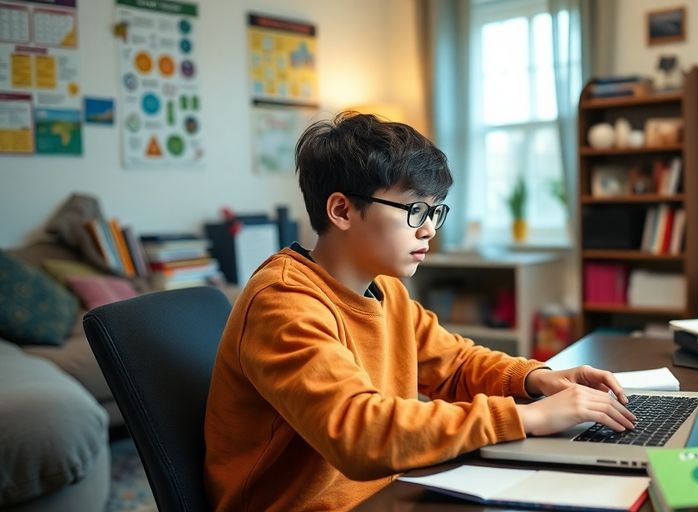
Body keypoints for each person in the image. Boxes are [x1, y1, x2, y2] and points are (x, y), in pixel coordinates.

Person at [204, 111, 636, 511]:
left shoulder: (385, 287)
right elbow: (361, 435)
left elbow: (454, 364)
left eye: (434, 211)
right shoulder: (284, 302)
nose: (429, 228)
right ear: (342, 210)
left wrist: (537, 378)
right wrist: (527, 416)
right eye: (414, 210)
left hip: (388, 491)